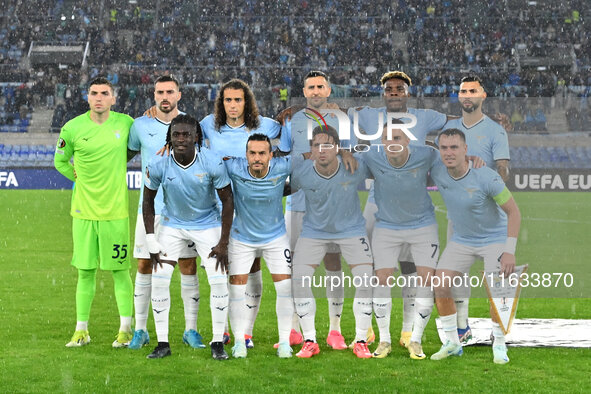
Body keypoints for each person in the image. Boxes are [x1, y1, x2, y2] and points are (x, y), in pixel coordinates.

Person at [349, 71, 448, 349]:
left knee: (410, 270)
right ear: (383, 93)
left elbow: (456, 123)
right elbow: (335, 114)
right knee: (368, 268)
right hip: (377, 202)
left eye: (399, 89)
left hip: (413, 207)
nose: (394, 92)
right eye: (389, 89)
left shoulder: (424, 116)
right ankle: (365, 329)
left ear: (407, 93)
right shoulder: (369, 115)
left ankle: (406, 332)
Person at [277, 70, 362, 350]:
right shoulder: (293, 120)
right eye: (310, 87)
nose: (315, 91)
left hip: (333, 205)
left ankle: (334, 330)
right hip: (298, 204)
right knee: (293, 268)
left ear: (328, 91)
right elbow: (285, 158)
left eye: (320, 87)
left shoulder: (342, 119)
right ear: (304, 92)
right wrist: (302, 156)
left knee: (333, 263)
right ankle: (294, 329)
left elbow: (350, 156)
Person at [142, 114, 234, 360]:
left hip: (207, 224)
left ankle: (217, 342)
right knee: (159, 279)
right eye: (176, 135)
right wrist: (150, 237)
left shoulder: (212, 162)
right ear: (169, 138)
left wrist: (223, 242)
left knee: (218, 280)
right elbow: (148, 201)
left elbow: (227, 200)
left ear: (196, 137)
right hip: (172, 225)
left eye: (186, 134)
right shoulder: (159, 162)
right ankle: (163, 343)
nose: (181, 139)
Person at [199, 78, 282, 348]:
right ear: (221, 103)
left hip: (253, 211)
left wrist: (291, 111)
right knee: (223, 273)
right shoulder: (207, 126)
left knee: (252, 271)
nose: (233, 105)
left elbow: (291, 145)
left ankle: (246, 332)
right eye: (228, 100)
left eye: (238, 99)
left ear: (247, 102)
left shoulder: (267, 126)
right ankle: (222, 330)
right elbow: (184, 139)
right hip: (219, 210)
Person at [55, 77, 135, 348]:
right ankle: (81, 331)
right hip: (83, 213)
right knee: (86, 272)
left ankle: (126, 329)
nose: (99, 97)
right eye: (94, 93)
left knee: (120, 272)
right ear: (87, 98)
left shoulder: (126, 124)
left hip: (115, 214)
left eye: (104, 93)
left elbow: (141, 142)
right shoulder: (72, 127)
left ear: (113, 98)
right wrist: (77, 177)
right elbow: (60, 161)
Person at [429, 128, 520, 364]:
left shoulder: (485, 176)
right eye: (444, 148)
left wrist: (509, 249)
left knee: (497, 289)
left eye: (454, 147)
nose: (449, 153)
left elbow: (514, 212)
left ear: (466, 150)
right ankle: (452, 343)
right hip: (463, 240)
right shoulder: (438, 170)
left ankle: (499, 343)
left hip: (495, 239)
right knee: (440, 284)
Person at [126, 75, 203, 350]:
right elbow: (123, 155)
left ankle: (190, 330)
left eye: (170, 91)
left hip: (184, 211)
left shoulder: (192, 124)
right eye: (160, 92)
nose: (165, 96)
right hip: (150, 209)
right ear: (154, 94)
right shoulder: (140, 125)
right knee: (144, 265)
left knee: (188, 265)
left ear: (179, 94)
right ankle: (141, 329)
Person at [291, 125, 373, 359]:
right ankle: (310, 340)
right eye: (317, 145)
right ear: (311, 150)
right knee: (299, 280)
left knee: (366, 281)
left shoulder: (354, 166)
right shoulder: (302, 172)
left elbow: (384, 171)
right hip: (314, 232)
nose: (322, 150)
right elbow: (282, 188)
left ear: (337, 148)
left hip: (351, 231)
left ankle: (360, 340)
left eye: (327, 145)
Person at [442, 75, 511, 342]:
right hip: (458, 215)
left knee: (497, 278)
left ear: (483, 95)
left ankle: (498, 331)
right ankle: (462, 327)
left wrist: (495, 178)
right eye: (463, 91)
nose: (467, 95)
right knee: (457, 274)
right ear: (458, 96)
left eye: (473, 90)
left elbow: (503, 167)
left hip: (489, 215)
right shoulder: (450, 128)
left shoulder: (496, 130)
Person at [225, 134, 294, 358]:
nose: (257, 158)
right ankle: (239, 342)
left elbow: (311, 158)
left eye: (262, 153)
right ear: (246, 155)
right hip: (241, 238)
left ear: (271, 155)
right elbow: (205, 162)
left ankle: (284, 342)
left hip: (275, 238)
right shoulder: (233, 167)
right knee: (236, 290)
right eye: (252, 153)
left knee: (284, 289)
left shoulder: (283, 166)